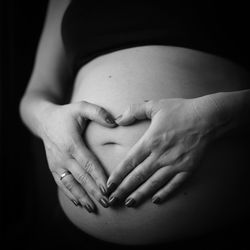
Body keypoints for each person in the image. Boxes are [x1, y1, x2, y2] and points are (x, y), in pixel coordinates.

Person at [19, 0, 250, 247]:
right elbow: (37, 94)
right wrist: (48, 121)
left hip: (219, 220)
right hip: (78, 232)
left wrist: (214, 115)